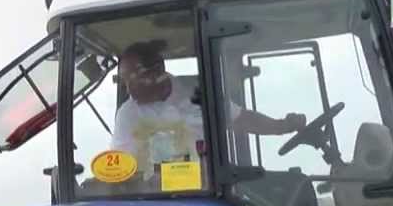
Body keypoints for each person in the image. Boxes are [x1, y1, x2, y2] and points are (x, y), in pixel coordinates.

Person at [110, 40, 306, 178]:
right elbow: (121, 165)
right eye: (124, 83)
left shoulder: (200, 96)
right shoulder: (128, 114)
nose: (128, 90)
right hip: (158, 198)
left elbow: (243, 119)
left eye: (133, 81)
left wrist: (281, 126)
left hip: (211, 191)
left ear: (159, 71)